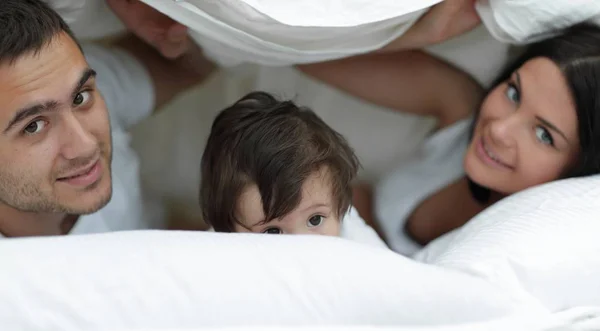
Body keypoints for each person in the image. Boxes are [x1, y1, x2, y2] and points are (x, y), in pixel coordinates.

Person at [298, 23, 600, 255]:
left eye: (543, 134)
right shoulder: (464, 110)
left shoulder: (522, 247)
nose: (499, 129)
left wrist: (358, 212)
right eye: (513, 92)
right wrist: (431, 29)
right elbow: (305, 48)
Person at [0, 0, 214, 238]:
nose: (86, 145)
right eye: (33, 126)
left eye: (80, 98)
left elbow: (195, 62)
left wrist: (160, 21)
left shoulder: (63, 75)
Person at [199, 92, 386, 248]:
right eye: (272, 231)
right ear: (228, 232)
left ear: (339, 207)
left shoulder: (356, 241)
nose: (301, 246)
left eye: (315, 220)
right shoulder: (221, 253)